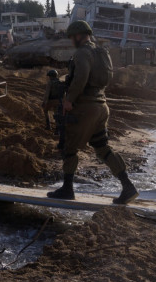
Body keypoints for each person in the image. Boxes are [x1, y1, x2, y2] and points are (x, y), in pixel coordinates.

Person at [48, 20, 138, 205]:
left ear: (79, 35)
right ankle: (128, 186)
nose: (72, 40)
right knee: (102, 147)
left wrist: (69, 100)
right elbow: (105, 77)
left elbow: (81, 77)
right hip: (101, 105)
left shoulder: (82, 53)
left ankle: (67, 189)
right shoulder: (101, 52)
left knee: (69, 147)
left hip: (85, 108)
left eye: (72, 37)